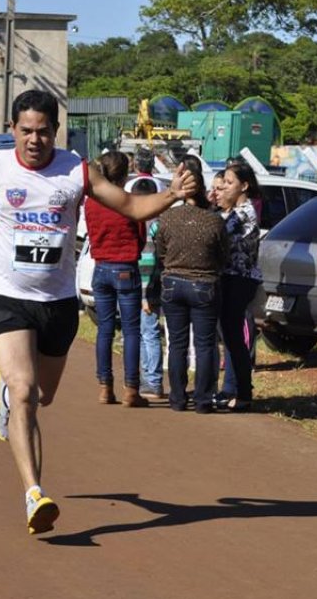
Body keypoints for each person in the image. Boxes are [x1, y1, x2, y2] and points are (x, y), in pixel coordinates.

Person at [0, 89, 194, 535]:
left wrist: (172, 194)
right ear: (12, 130)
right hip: (6, 296)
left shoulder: (76, 170)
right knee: (25, 390)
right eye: (25, 130)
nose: (34, 140)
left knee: (42, 396)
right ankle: (34, 493)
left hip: (58, 302)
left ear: (55, 132)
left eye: (43, 132)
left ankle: (9, 397)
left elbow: (131, 207)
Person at [155, 155, 227, 414]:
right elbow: (223, 256)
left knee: (177, 344)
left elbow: (160, 252)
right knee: (205, 345)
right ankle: (203, 400)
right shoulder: (214, 220)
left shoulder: (167, 218)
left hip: (172, 284)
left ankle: (177, 398)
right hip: (204, 284)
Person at [84, 151, 148, 408]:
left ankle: (105, 387)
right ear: (124, 176)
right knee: (131, 330)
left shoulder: (91, 202)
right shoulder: (128, 201)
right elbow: (140, 236)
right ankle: (131, 389)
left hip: (100, 267)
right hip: (126, 266)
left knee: (105, 329)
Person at [213, 160, 262, 412]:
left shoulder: (244, 212)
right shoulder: (233, 211)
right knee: (229, 338)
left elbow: (221, 230)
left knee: (234, 338)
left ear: (244, 186)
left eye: (229, 183)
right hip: (230, 278)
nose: (224, 187)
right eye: (223, 183)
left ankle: (243, 393)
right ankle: (232, 389)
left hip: (240, 280)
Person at [132, 177, 165, 400]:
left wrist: (144, 294)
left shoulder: (149, 225)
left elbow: (149, 261)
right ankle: (148, 378)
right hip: (147, 286)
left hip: (148, 287)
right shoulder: (156, 223)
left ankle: (152, 380)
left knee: (149, 333)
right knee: (144, 333)